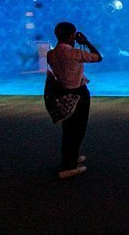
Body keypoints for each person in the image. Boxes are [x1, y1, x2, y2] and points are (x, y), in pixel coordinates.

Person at [46, 22, 102, 179]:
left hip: (63, 94)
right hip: (79, 94)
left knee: (68, 128)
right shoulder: (75, 53)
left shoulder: (51, 54)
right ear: (72, 35)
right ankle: (68, 166)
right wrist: (86, 42)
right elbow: (98, 57)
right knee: (78, 129)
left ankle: (71, 157)